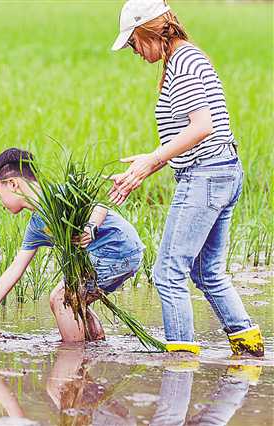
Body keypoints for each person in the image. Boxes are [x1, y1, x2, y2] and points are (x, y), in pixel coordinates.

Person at [109, 0, 263, 356]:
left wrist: (152, 160)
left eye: (133, 43)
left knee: (167, 273)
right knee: (207, 271)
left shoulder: (184, 60)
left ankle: (180, 365)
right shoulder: (181, 59)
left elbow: (202, 127)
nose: (134, 51)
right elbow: (188, 135)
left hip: (206, 176)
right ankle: (250, 349)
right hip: (220, 171)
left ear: (148, 32)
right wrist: (147, 165)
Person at [0, 148, 145, 342]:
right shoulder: (37, 225)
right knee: (70, 299)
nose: (0, 201)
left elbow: (99, 206)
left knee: (62, 298)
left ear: (12, 184)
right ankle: (94, 345)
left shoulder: (58, 196)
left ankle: (73, 356)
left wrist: (90, 228)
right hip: (113, 256)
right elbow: (15, 269)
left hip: (117, 249)